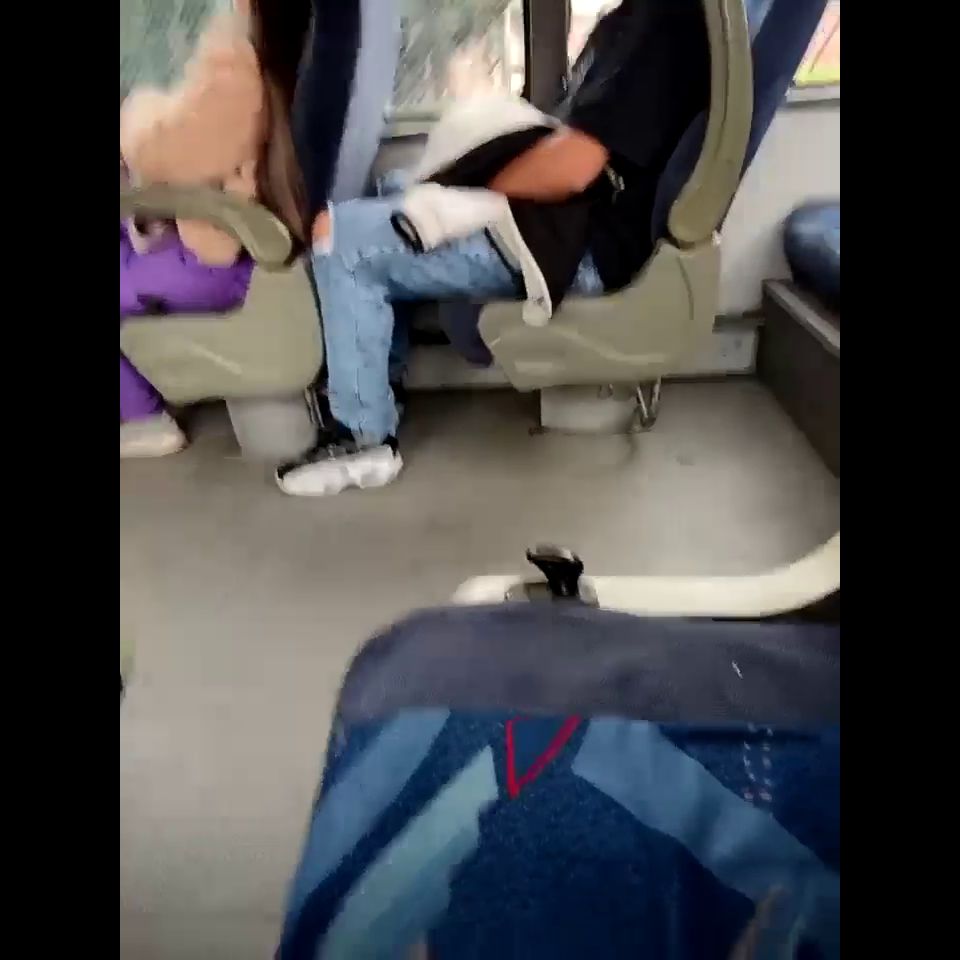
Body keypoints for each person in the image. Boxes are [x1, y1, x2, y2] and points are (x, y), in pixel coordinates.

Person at [277, 0, 710, 497]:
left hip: (579, 244)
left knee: (340, 238)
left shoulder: (661, 22)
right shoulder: (630, 21)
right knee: (392, 188)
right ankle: (379, 391)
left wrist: (472, 188)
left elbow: (574, 167)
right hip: (571, 221)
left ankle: (363, 439)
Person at [119, 0, 310, 458]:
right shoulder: (266, 55)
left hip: (222, 253)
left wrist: (137, 112)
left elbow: (168, 153)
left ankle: (143, 420)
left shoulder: (238, 68)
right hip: (222, 240)